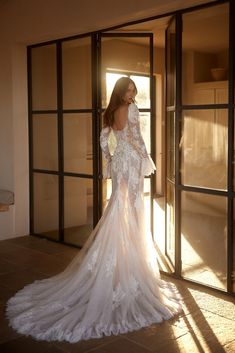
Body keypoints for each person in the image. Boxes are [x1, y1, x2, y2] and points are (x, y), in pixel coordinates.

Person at [6, 77, 182, 343]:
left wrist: (110, 160)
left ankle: (122, 262)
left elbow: (104, 139)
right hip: (132, 161)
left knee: (119, 208)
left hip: (120, 162)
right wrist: (146, 158)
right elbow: (137, 139)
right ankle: (131, 268)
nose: (132, 94)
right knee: (134, 210)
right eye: (129, 90)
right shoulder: (131, 109)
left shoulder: (110, 112)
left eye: (134, 90)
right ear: (121, 92)